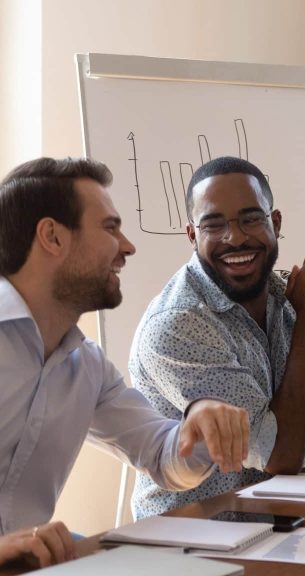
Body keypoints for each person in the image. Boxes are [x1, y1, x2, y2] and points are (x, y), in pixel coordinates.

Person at [0, 157, 250, 568]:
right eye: (110, 228)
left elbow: (164, 459)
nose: (128, 246)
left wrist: (201, 422)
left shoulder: (87, 365)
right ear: (53, 237)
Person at [129, 156, 305, 518]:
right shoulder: (178, 323)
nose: (235, 237)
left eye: (250, 219)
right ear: (192, 235)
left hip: (271, 521)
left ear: (275, 222)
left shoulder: (284, 295)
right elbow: (280, 456)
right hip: (192, 537)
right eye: (214, 225)